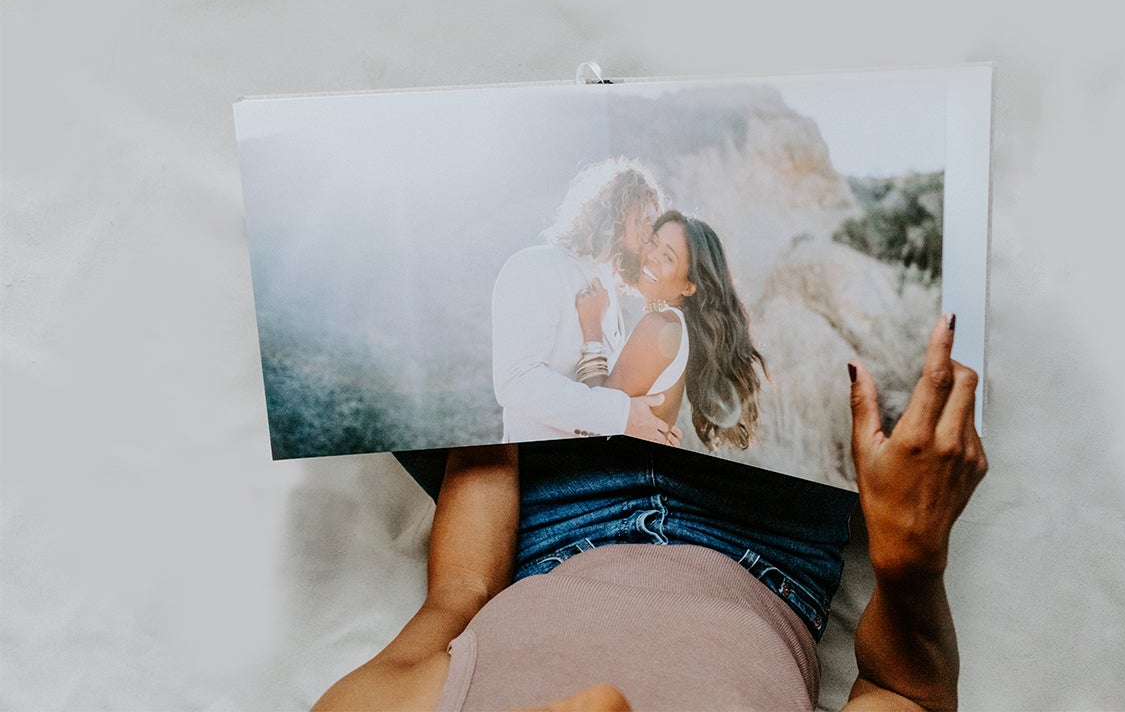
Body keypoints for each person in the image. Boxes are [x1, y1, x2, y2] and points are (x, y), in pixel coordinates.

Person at [315, 314, 987, 711]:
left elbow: (461, 590)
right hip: (764, 532)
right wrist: (910, 561)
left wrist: (485, 410)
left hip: (557, 515)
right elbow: (904, 697)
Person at [490, 157, 680, 446]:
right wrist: (623, 416)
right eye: (643, 220)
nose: (649, 237)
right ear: (611, 213)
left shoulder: (607, 288)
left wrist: (652, 427)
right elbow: (517, 382)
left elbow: (604, 390)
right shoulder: (536, 265)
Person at [573, 210, 766, 450]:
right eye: (653, 243)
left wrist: (592, 330)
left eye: (668, 257)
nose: (652, 256)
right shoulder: (674, 327)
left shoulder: (660, 327)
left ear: (688, 286)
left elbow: (595, 420)